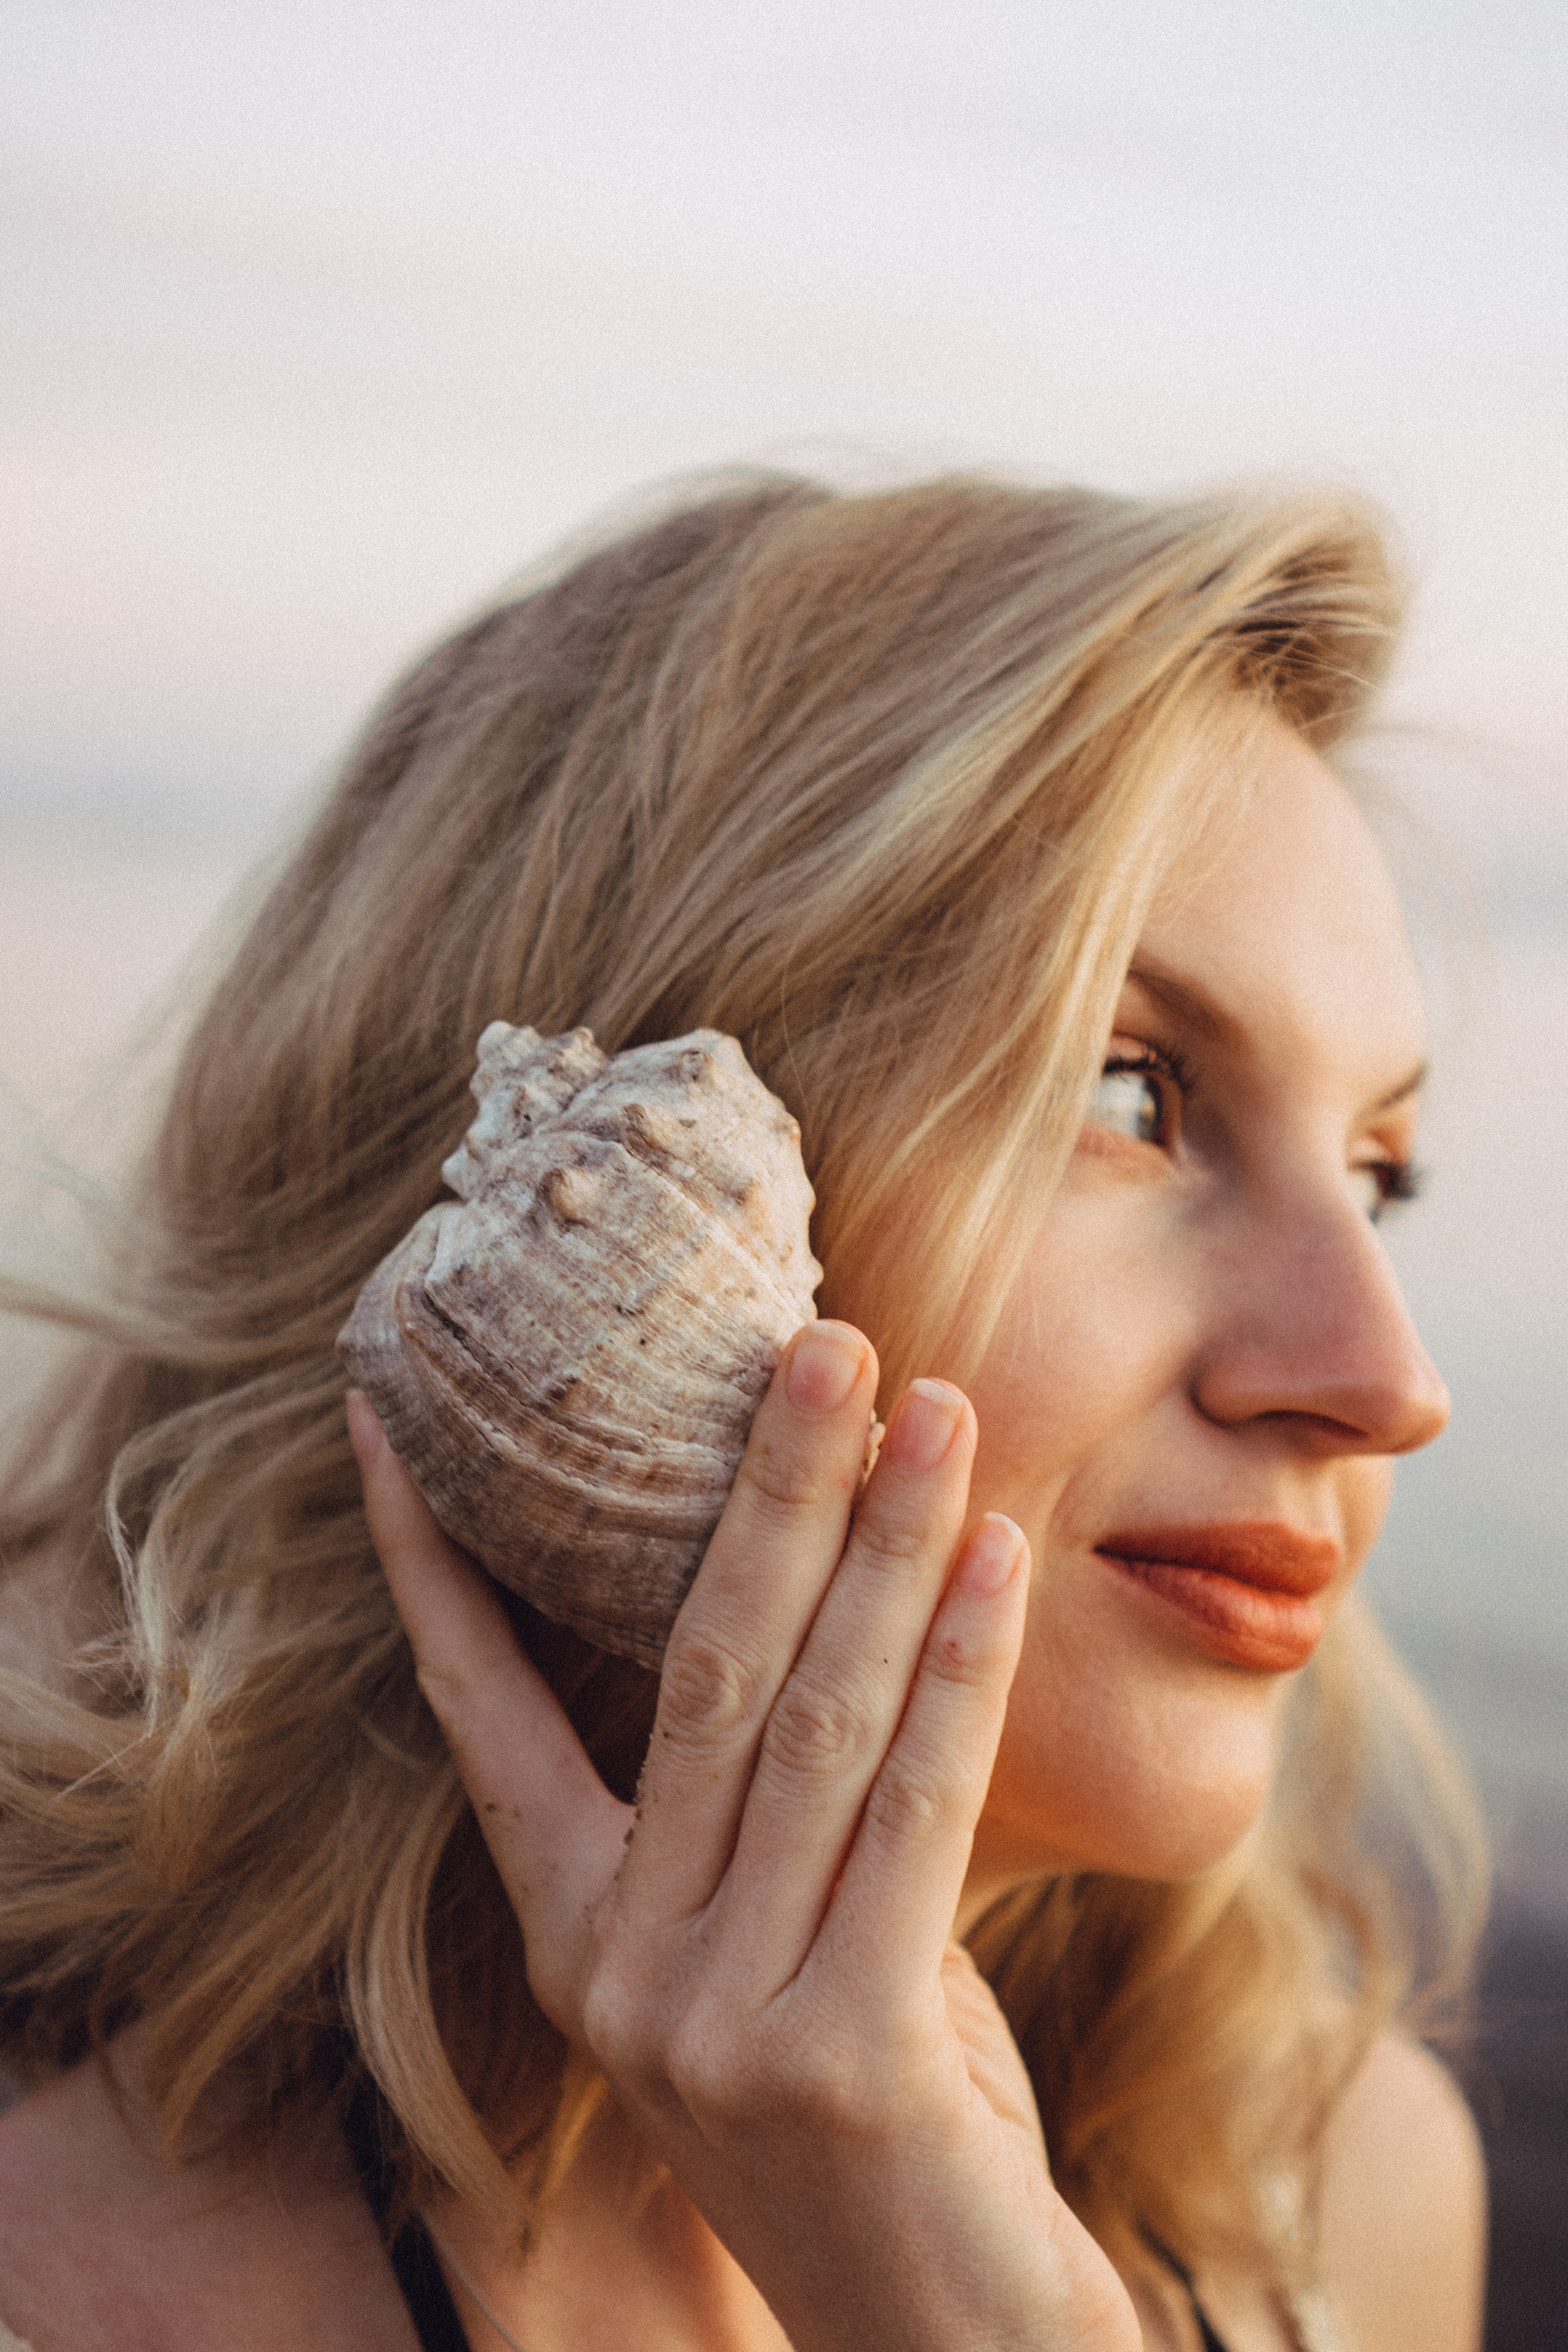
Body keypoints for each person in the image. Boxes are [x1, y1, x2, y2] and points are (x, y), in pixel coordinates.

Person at [0, 474, 1489, 2351]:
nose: (1386, 1386)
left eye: (1381, 1173)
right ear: (554, 1233)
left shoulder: (1350, 2188)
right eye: (1128, 1095)